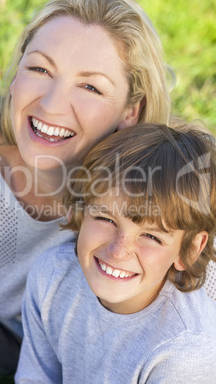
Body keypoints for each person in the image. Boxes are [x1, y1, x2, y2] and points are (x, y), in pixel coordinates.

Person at [0, 0, 172, 382]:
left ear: (131, 111)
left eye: (90, 86)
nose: (51, 104)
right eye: (40, 69)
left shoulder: (162, 185)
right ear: (16, 74)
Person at [15, 123, 216, 383]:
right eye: (106, 219)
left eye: (151, 236)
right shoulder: (51, 277)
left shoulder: (184, 351)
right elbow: (36, 378)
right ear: (79, 210)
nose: (119, 251)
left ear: (189, 250)